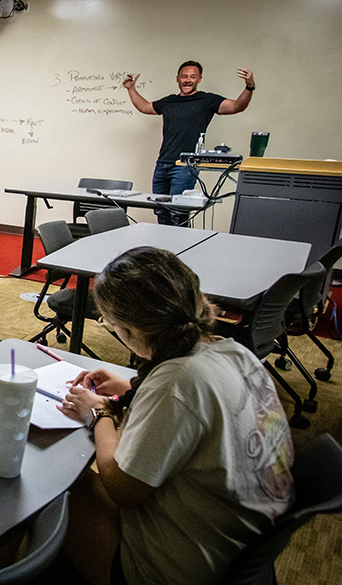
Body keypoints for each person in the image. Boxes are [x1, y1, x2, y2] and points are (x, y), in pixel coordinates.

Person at [52, 246, 293, 585]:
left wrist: (100, 413)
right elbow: (195, 405)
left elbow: (122, 488)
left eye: (110, 323)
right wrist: (131, 388)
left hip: (177, 569)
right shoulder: (233, 352)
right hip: (237, 546)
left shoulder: (176, 384)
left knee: (54, 488)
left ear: (129, 329)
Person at [123, 62, 256, 225]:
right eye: (184, 76)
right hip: (162, 164)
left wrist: (249, 87)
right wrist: (131, 88)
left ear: (199, 79)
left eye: (193, 77)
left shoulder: (207, 100)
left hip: (184, 167)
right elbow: (144, 107)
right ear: (177, 79)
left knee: (178, 214)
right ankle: (164, 249)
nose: (188, 80)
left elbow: (237, 106)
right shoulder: (169, 101)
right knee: (160, 212)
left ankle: (179, 249)